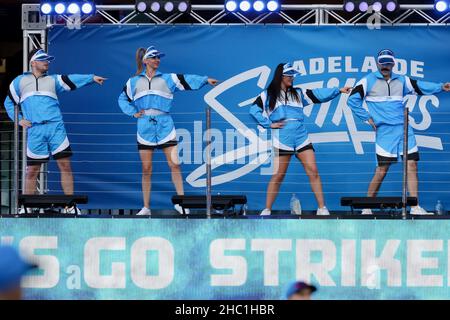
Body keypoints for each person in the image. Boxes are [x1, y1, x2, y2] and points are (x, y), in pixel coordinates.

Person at [3, 48, 107, 214]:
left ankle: (70, 207)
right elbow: (9, 103)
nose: (47, 62)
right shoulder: (19, 82)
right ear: (33, 62)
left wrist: (91, 78)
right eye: (43, 59)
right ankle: (28, 208)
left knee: (65, 166)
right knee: (31, 171)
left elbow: (71, 79)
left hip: (55, 127)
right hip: (35, 130)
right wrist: (19, 119)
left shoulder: (53, 80)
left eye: (48, 59)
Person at [347, 49, 450, 215]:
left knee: (412, 165)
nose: (386, 66)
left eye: (388, 62)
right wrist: (367, 118)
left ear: (393, 63)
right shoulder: (367, 81)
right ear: (377, 63)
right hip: (385, 132)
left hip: (404, 129)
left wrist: (440, 87)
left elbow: (419, 86)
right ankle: (367, 207)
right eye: (383, 62)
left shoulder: (402, 80)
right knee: (382, 170)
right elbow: (352, 100)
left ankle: (415, 207)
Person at [118, 46, 218, 215]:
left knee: (174, 164)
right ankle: (146, 207)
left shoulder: (168, 78)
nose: (157, 60)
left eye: (159, 57)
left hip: (166, 125)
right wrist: (132, 112)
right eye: (154, 57)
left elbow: (186, 79)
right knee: (146, 168)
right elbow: (122, 98)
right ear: (145, 61)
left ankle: (181, 203)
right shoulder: (133, 82)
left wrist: (205, 80)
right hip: (144, 127)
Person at [250, 63, 352, 216]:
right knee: (278, 175)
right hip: (282, 138)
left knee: (313, 171)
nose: (292, 77)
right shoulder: (267, 94)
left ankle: (322, 208)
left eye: (293, 75)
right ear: (281, 76)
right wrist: (269, 124)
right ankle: (267, 209)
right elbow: (253, 110)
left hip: (301, 135)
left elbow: (318, 94)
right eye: (289, 74)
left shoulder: (298, 93)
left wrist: (337, 90)